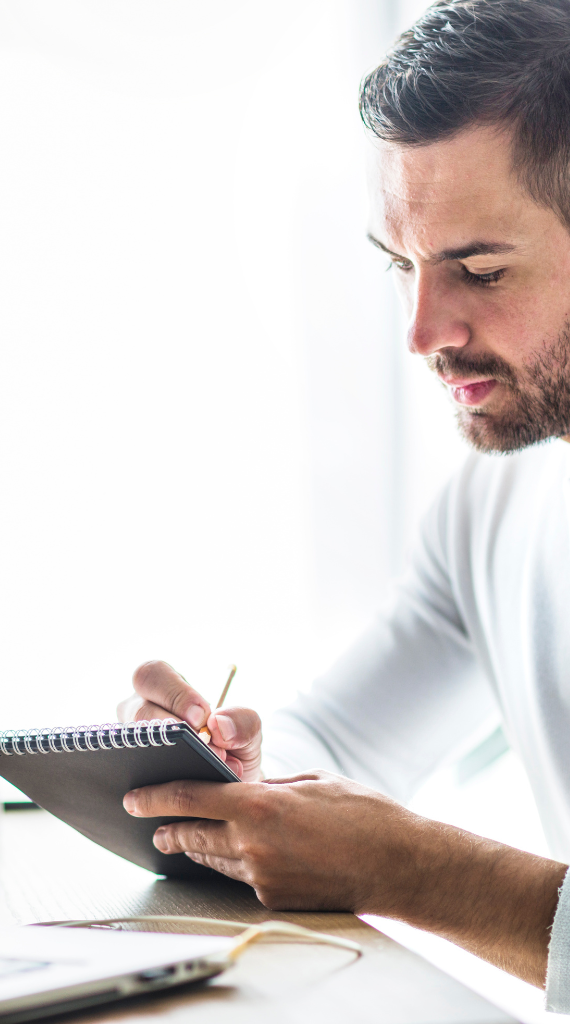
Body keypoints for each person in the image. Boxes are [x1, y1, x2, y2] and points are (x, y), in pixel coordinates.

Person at [115, 0, 570, 1010]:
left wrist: (415, 869)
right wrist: (213, 772)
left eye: (478, 269)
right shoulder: (492, 502)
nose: (421, 330)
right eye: (400, 265)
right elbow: (340, 744)